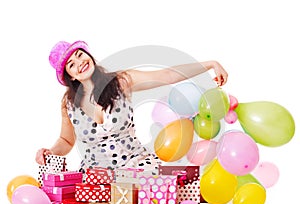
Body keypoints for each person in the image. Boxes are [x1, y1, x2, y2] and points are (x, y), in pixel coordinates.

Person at [35, 40, 228, 176]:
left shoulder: (121, 81)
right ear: (71, 76)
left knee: (153, 197)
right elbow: (66, 141)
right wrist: (50, 152)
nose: (80, 62)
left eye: (80, 55)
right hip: (96, 176)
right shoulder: (68, 103)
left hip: (136, 166)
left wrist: (210, 64)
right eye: (72, 64)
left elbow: (167, 75)